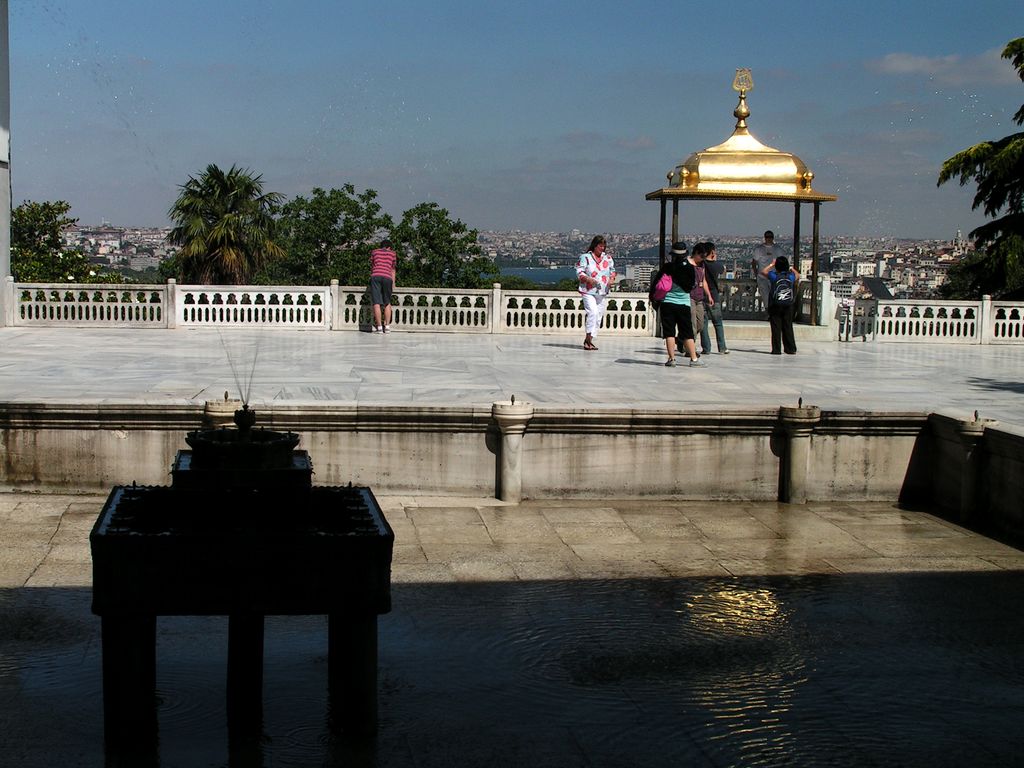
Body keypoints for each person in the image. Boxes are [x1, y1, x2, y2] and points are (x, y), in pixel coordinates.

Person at [648, 242, 704, 367]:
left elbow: (656, 284)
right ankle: (694, 359)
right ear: (685, 254)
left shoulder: (667, 267)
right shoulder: (689, 268)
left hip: (668, 302)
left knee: (669, 332)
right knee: (687, 332)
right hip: (683, 303)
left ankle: (671, 359)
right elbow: (691, 285)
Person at [576, 235, 616, 351]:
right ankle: (587, 338)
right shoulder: (585, 257)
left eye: (604, 246)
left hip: (602, 291)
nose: (602, 248)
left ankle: (590, 339)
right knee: (592, 312)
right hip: (588, 290)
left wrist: (611, 280)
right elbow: (579, 272)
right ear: (595, 245)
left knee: (598, 315)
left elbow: (612, 271)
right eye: (600, 246)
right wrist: (589, 279)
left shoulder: (608, 258)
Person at [761, 255, 800, 355]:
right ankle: (790, 348)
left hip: (775, 305)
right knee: (788, 326)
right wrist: (791, 268)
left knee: (776, 327)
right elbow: (797, 275)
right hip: (788, 305)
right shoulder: (790, 277)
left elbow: (763, 272)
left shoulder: (774, 276)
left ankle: (776, 349)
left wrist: (771, 264)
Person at [700, 241, 729, 355]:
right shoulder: (717, 265)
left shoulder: (701, 264)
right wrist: (715, 259)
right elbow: (724, 269)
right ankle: (722, 347)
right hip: (714, 297)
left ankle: (706, 348)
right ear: (712, 252)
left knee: (704, 324)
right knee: (718, 323)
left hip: (702, 297)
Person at [688, 242, 712, 354]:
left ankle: (683, 339)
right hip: (690, 296)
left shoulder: (702, 265)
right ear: (696, 253)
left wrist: (709, 295)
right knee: (692, 325)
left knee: (700, 324)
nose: (703, 259)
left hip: (699, 297)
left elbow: (704, 280)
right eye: (702, 256)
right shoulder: (688, 264)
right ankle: (690, 349)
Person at [369, 239, 396, 333]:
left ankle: (379, 327)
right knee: (387, 302)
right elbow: (392, 270)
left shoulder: (374, 252)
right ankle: (387, 327)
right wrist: (393, 283)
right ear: (389, 247)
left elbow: (372, 266)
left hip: (376, 276)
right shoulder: (393, 254)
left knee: (376, 303)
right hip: (387, 278)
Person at [751, 230, 777, 315]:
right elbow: (754, 263)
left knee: (774, 296)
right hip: (762, 278)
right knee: (765, 297)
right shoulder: (759, 249)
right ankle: (769, 313)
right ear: (765, 238)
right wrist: (756, 274)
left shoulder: (778, 249)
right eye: (767, 237)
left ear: (772, 238)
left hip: (774, 277)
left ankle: (772, 314)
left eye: (770, 237)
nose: (769, 239)